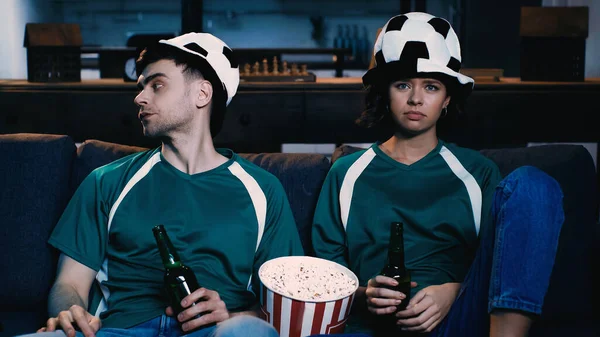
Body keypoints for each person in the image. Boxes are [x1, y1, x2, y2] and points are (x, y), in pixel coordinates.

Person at [19, 32, 304, 337]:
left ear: (202, 94)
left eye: (157, 85)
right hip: (119, 331)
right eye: (141, 87)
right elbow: (69, 283)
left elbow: (287, 305)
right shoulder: (106, 181)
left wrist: (234, 314)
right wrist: (70, 311)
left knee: (249, 331)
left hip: (216, 332)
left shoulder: (264, 190)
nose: (139, 98)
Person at [312, 12, 564, 337]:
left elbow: (502, 264)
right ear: (385, 94)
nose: (416, 99)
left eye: (431, 86)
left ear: (446, 99)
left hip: (458, 320)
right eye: (403, 85)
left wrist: (453, 292)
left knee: (534, 184)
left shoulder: (477, 172)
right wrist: (365, 294)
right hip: (374, 327)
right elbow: (326, 279)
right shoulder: (345, 172)